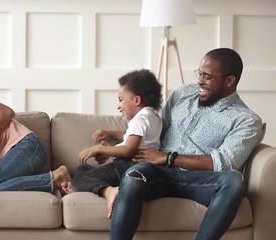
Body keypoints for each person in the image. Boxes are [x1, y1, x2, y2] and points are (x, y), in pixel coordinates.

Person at [109, 48, 263, 240]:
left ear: (229, 81)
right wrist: (117, 143)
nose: (200, 81)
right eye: (199, 73)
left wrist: (170, 158)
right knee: (134, 174)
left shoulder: (246, 119)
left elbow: (223, 162)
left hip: (199, 181)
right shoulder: (182, 93)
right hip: (158, 172)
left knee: (233, 181)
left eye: (207, 76)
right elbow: (156, 130)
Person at [61, 69, 162, 218]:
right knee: (83, 169)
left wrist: (98, 148)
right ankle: (80, 186)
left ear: (137, 100)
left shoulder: (139, 120)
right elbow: (133, 138)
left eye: (121, 99)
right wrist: (110, 136)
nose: (118, 106)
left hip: (126, 166)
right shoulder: (152, 117)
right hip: (136, 167)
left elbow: (128, 149)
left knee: (79, 178)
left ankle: (109, 191)